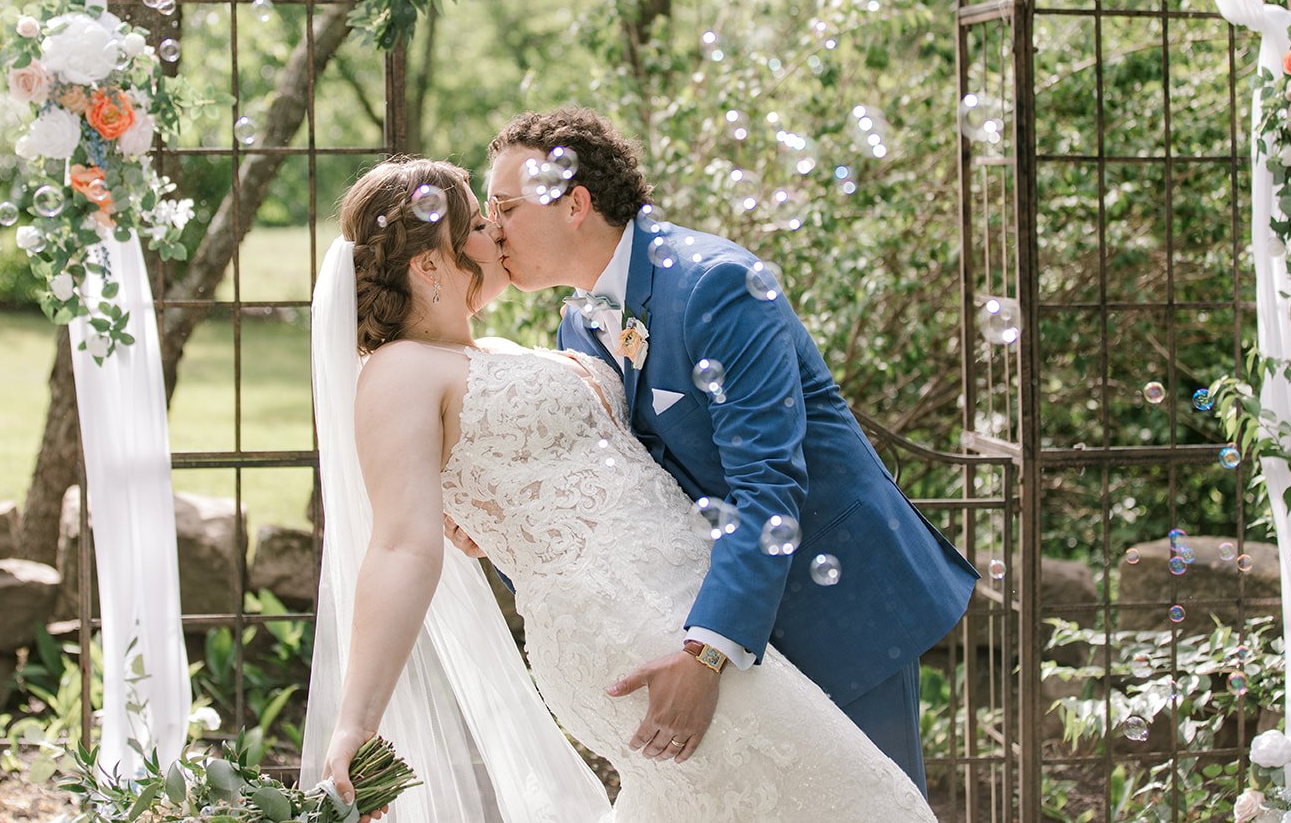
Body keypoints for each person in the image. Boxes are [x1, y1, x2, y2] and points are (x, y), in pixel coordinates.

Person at [301, 156, 938, 822]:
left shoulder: (513, 346)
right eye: (480, 220)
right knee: (864, 802)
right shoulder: (398, 372)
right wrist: (358, 720)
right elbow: (402, 546)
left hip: (690, 605)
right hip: (625, 623)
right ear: (429, 263)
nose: (496, 232)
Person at [477, 107, 979, 789]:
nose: (491, 227)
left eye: (503, 205)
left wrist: (707, 652)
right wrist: (499, 532)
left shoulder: (716, 284)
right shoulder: (579, 326)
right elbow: (610, 495)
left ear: (576, 203)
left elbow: (768, 484)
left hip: (840, 603)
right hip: (728, 613)